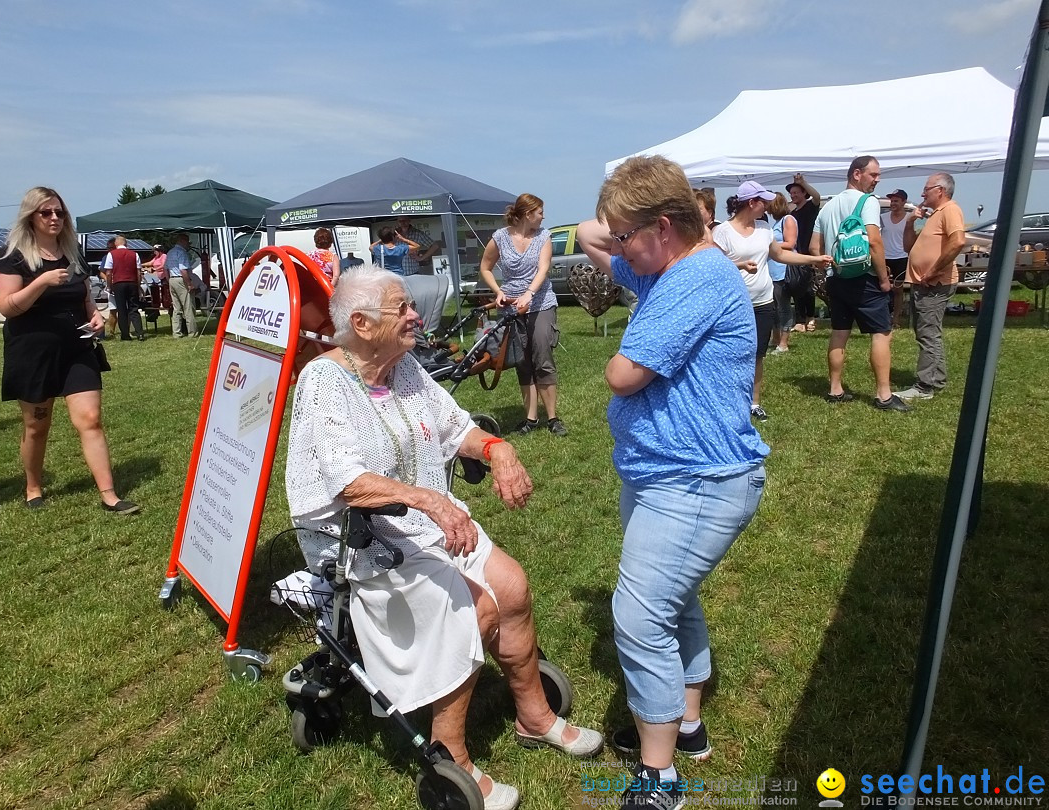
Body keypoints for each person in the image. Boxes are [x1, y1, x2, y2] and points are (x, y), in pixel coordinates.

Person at [284, 266, 603, 810]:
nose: (415, 315)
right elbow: (346, 481)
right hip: (359, 542)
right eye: (401, 308)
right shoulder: (323, 382)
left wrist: (499, 450)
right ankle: (449, 750)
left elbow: (457, 428)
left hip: (424, 527)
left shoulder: (403, 367)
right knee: (475, 609)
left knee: (514, 586)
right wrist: (432, 502)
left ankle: (534, 715)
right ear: (360, 323)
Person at [576, 156, 769, 810]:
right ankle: (686, 726)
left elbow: (623, 373)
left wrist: (643, 242)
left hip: (699, 480)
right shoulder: (663, 264)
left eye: (630, 234)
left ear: (664, 226)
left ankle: (660, 781)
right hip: (665, 476)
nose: (621, 246)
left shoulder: (695, 278)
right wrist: (619, 228)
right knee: (673, 601)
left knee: (638, 616)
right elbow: (584, 233)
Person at [0, 187, 140, 515]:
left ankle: (109, 495)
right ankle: (32, 486)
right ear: (31, 216)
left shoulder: (71, 252)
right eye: (47, 213)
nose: (55, 218)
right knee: (37, 425)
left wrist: (95, 316)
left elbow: (84, 297)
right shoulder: (12, 256)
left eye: (59, 212)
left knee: (90, 418)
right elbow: (7, 307)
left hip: (77, 347)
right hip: (32, 352)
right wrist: (41, 281)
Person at [712, 182, 831, 421]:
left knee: (757, 355)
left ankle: (753, 404)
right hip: (733, 305)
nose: (767, 205)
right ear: (751, 203)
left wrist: (813, 259)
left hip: (763, 303)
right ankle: (726, 401)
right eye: (763, 201)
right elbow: (712, 265)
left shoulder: (764, 228)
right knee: (731, 354)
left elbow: (780, 254)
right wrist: (740, 265)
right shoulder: (723, 231)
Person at [810, 155, 910, 411]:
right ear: (857, 174)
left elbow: (814, 248)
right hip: (864, 278)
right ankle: (883, 395)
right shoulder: (868, 202)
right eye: (873, 175)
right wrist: (885, 280)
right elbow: (875, 242)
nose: (877, 180)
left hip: (837, 277)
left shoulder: (828, 206)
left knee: (840, 332)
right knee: (881, 333)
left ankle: (835, 389)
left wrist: (830, 267)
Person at [478, 194, 566, 437]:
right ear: (528, 214)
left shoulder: (544, 237)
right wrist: (498, 292)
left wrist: (529, 293)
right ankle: (531, 419)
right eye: (540, 212)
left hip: (540, 303)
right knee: (522, 361)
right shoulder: (500, 237)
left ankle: (553, 418)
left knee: (542, 354)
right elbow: (485, 267)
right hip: (511, 308)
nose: (543, 216)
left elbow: (543, 268)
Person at [896, 173, 966, 402]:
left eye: (926, 189)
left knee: (928, 334)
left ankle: (925, 385)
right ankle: (936, 378)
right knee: (926, 332)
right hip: (923, 283)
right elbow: (908, 247)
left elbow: (958, 242)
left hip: (935, 283)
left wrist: (935, 270)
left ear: (940, 191)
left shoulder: (950, 210)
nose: (922, 194)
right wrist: (910, 222)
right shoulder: (934, 215)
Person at [786, 173, 822, 332]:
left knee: (809, 288)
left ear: (803, 193)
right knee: (797, 286)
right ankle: (800, 320)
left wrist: (802, 182)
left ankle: (810, 318)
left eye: (796, 193)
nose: (793, 195)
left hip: (811, 252)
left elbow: (817, 196)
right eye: (791, 193)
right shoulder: (792, 214)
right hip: (797, 253)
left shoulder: (810, 206)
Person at [767, 192, 797, 354]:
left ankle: (784, 342)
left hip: (783, 270)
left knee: (784, 307)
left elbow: (791, 242)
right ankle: (776, 337)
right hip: (773, 270)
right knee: (775, 306)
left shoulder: (788, 220)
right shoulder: (777, 222)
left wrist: (770, 244)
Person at [101, 235, 145, 342]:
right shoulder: (135, 254)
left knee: (122, 310)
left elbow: (108, 272)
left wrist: (109, 286)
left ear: (116, 244)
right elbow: (139, 272)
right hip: (132, 282)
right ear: (126, 244)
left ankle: (125, 335)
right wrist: (138, 285)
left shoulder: (111, 254)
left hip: (118, 283)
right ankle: (140, 333)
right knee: (134, 308)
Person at [881, 189, 910, 328]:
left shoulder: (909, 218)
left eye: (896, 201)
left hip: (901, 257)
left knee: (898, 290)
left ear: (904, 202)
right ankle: (884, 316)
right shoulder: (883, 217)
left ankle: (896, 319)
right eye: (892, 201)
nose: (893, 203)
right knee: (884, 288)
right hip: (884, 257)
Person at [165, 233, 198, 338]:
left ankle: (176, 332)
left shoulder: (170, 252)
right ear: (183, 241)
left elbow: (165, 268)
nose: (188, 244)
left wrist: (169, 280)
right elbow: (183, 270)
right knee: (188, 307)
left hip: (172, 279)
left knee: (176, 308)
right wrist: (189, 283)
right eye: (188, 242)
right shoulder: (181, 253)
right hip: (181, 279)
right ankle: (192, 332)